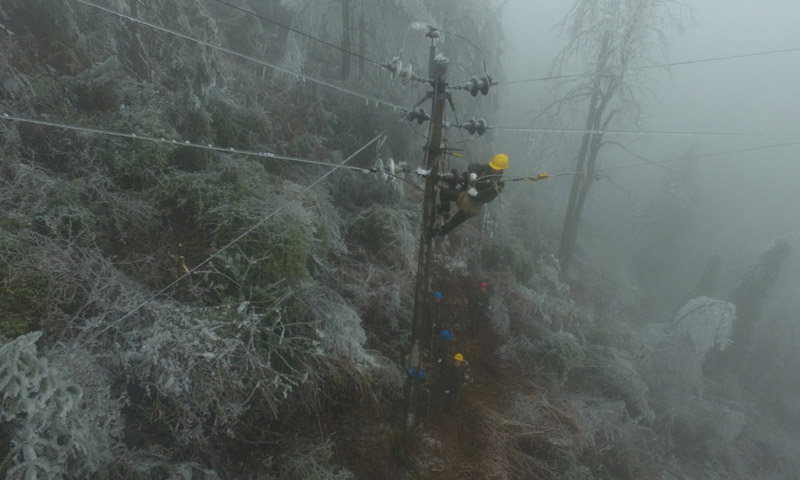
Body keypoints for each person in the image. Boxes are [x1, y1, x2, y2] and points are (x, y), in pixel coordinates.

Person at [433, 153, 509, 237]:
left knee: (456, 220)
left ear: (501, 169)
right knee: (444, 193)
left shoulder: (499, 184)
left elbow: (488, 198)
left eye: (496, 168)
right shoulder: (487, 169)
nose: (493, 169)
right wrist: (474, 174)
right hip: (465, 191)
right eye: (493, 167)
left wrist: (476, 194)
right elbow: (472, 166)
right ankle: (445, 211)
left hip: (474, 203)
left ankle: (441, 231)